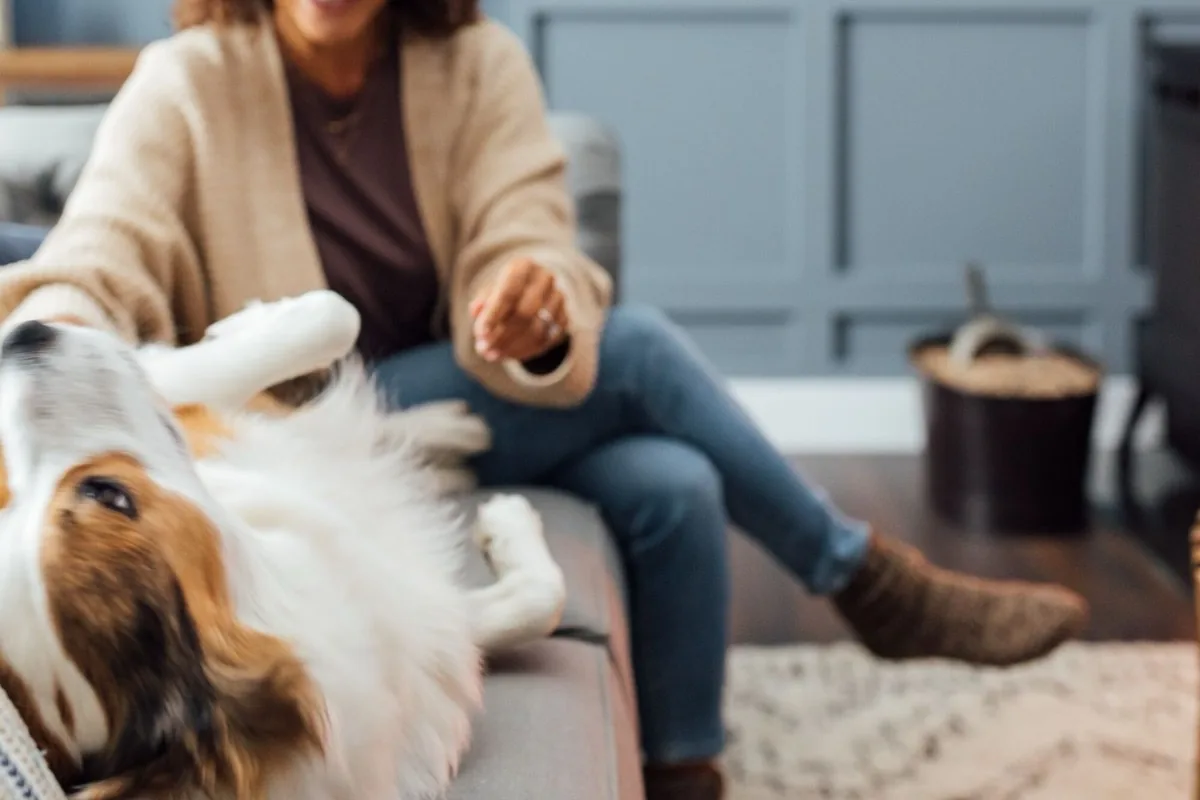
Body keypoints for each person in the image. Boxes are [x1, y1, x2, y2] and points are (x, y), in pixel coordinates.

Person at [0, 1, 1088, 797]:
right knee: (649, 351)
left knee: (672, 480)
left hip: (459, 403)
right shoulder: (187, 81)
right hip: (302, 435)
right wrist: (62, 342)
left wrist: (531, 303)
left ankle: (681, 769)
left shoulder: (477, 65)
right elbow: (99, 253)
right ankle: (862, 577)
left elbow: (529, 238)